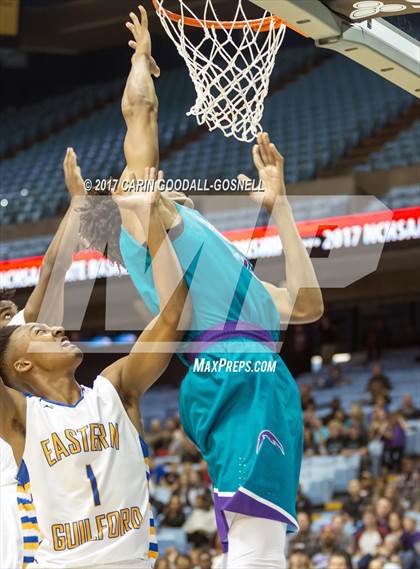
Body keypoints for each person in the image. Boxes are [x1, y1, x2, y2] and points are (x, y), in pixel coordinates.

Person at [78, 7, 323, 568]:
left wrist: (279, 206)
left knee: (259, 541)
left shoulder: (213, 257)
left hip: (253, 368)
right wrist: (141, 59)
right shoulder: (143, 226)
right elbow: (138, 112)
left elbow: (306, 305)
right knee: (259, 544)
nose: (158, 180)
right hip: (236, 370)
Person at [0, 166, 190, 568]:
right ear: (22, 362)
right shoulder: (20, 417)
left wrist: (154, 221)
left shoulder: (114, 388)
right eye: (36, 330)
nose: (53, 326)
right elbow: (50, 274)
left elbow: (173, 315)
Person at [0, 146, 84, 569]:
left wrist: (77, 209)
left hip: (25, 479)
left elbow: (54, 267)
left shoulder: (20, 343)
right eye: (6, 314)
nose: (17, 318)